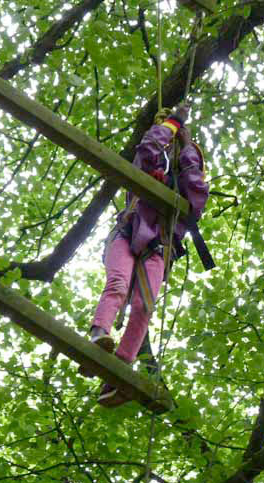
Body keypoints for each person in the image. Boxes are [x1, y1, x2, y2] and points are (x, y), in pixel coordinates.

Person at [86, 103, 209, 407]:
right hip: (129, 234)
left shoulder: (186, 191)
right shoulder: (150, 168)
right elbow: (148, 147)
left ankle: (118, 372)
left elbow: (196, 192)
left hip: (158, 247)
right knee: (117, 283)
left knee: (144, 307)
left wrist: (187, 143)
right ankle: (99, 332)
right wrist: (173, 123)